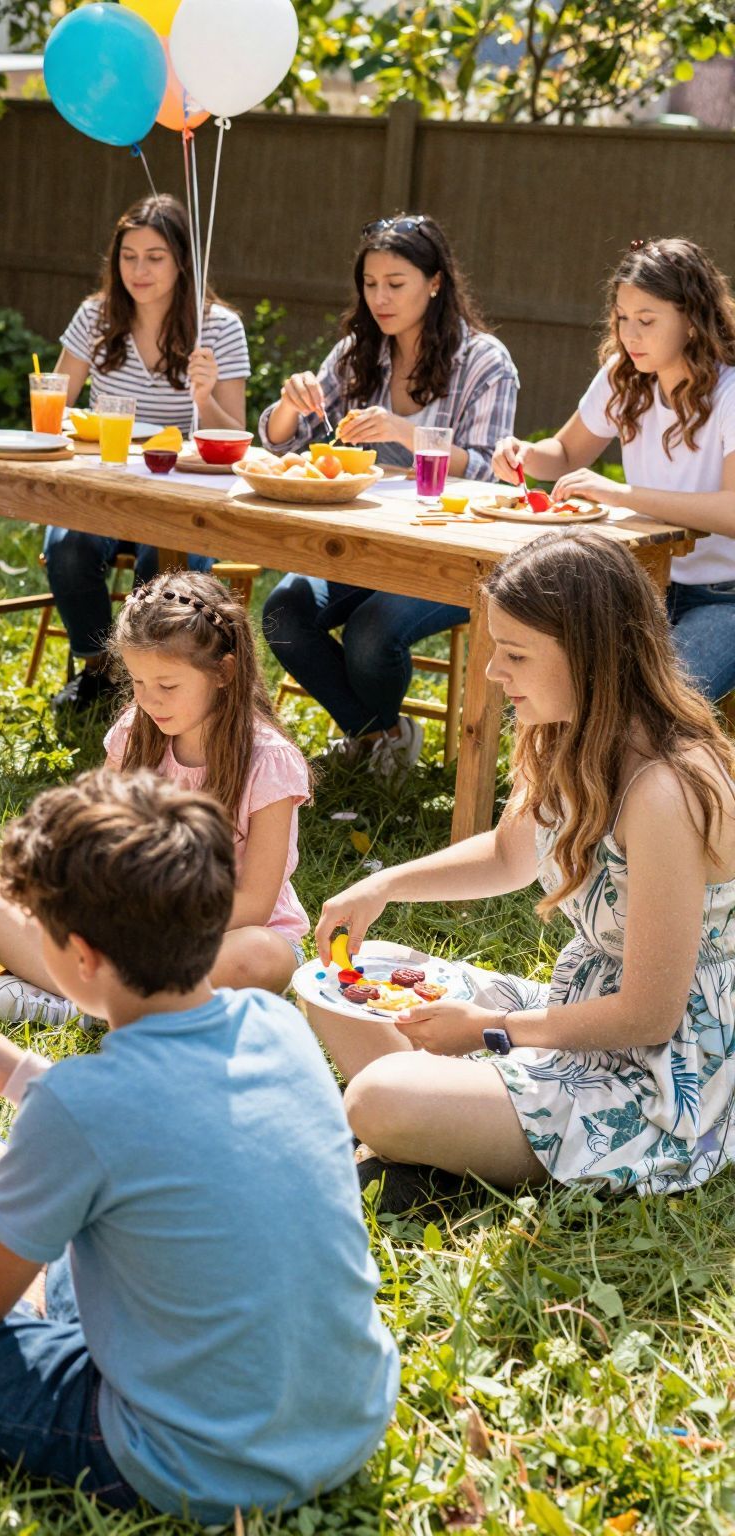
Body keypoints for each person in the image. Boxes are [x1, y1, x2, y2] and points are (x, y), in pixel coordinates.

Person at [0, 769, 399, 1520]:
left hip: (189, 1461)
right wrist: (20, 1076)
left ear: (80, 957)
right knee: (91, 1246)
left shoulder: (87, 1106)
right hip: (346, 1421)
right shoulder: (275, 1025)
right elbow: (163, 1126)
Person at [311, 531, 735, 1201]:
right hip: (578, 1006)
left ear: (593, 659)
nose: (492, 674)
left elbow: (649, 1016)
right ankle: (444, 1139)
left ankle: (425, 1133)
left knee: (377, 1097)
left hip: (660, 1063)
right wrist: (384, 885)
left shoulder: (666, 786)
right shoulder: (562, 731)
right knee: (343, 984)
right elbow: (512, 854)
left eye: (514, 654)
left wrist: (487, 1031)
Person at [0, 571, 309, 1024]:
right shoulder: (133, 733)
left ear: (224, 671)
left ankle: (75, 998)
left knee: (258, 957)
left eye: (168, 686)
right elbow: (93, 842)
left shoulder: (268, 760)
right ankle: (115, 1004)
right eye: (139, 683)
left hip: (227, 932)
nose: (150, 701)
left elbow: (256, 904)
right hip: (125, 928)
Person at [260, 214, 521, 774]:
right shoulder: (359, 351)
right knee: (284, 610)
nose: (380, 297)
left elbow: (493, 473)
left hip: (453, 551)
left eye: (395, 284)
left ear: (435, 282)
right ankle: (383, 734)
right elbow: (286, 443)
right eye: (370, 283)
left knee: (371, 633)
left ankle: (373, 747)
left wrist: (406, 434)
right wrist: (289, 402)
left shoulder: (485, 361)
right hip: (364, 544)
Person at [492, 237, 735, 703]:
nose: (630, 335)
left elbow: (730, 510)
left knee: (653, 706)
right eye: (622, 319)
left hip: (723, 596)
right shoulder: (623, 376)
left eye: (646, 321)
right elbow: (564, 453)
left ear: (691, 320)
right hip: (642, 583)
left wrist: (621, 494)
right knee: (573, 688)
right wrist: (523, 452)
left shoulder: (728, 392)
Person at [40, 195, 251, 712]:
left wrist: (203, 399)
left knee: (162, 564)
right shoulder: (95, 316)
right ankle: (101, 671)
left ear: (182, 261)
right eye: (128, 256)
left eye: (155, 256)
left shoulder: (218, 328)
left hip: (182, 493)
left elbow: (235, 441)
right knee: (67, 546)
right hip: (108, 485)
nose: (139, 269)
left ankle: (148, 678)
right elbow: (57, 406)